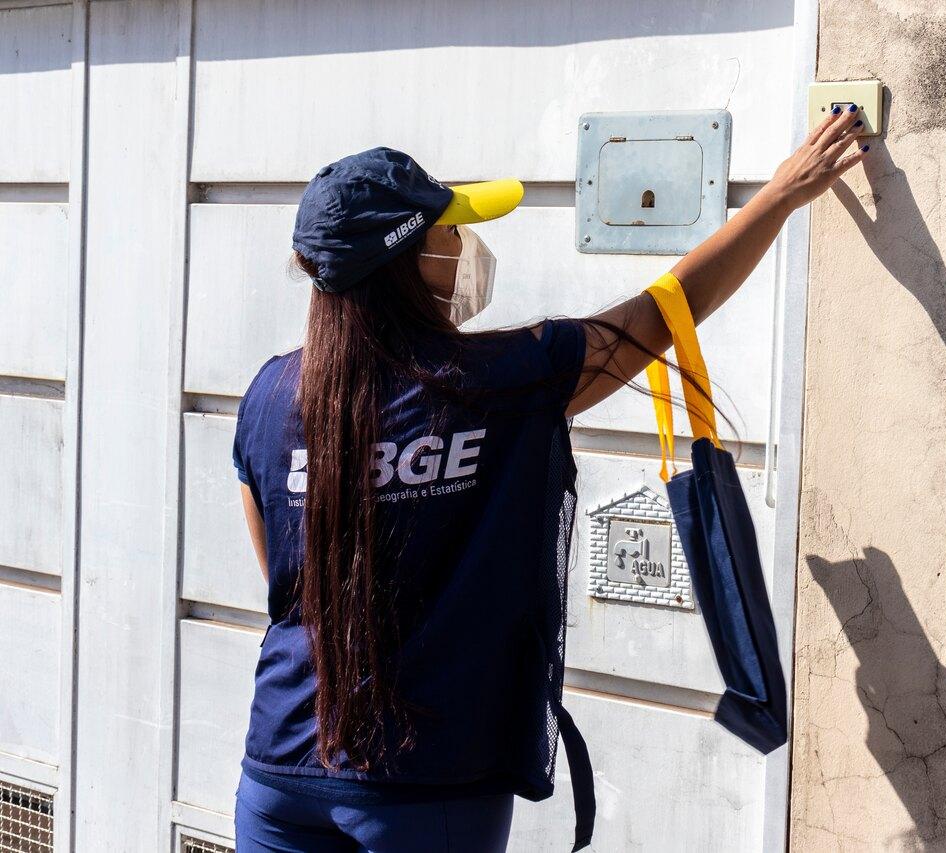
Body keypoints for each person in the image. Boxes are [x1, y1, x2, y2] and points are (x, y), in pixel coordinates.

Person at [231, 106, 870, 853]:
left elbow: (286, 583)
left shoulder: (267, 397)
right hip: (428, 782)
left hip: (280, 770)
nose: (462, 247)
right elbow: (665, 311)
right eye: (448, 231)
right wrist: (783, 194)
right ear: (410, 260)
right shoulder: (501, 379)